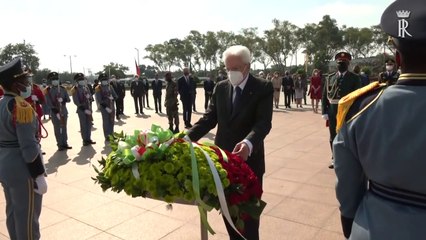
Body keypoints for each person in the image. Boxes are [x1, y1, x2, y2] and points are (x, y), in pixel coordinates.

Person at [334, 1, 426, 239]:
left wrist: (349, 220)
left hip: (374, 228)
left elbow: (348, 180)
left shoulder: (361, 108)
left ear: (397, 57)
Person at [187, 45, 273, 240]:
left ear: (247, 67)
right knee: (228, 214)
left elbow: (263, 124)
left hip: (249, 164)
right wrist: (185, 138)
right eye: (228, 68)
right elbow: (209, 119)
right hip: (224, 163)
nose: (231, 73)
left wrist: (248, 144)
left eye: (235, 68)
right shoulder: (221, 87)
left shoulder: (262, 88)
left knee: (248, 220)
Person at [0, 58, 47, 240]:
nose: (27, 83)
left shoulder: (2, 102)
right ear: (15, 84)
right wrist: (38, 174)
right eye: (24, 80)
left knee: (13, 211)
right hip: (22, 168)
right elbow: (28, 146)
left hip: (5, 165)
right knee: (28, 217)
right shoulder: (21, 106)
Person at [322, 52, 361, 169]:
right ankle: (335, 158)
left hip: (347, 111)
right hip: (333, 110)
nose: (341, 64)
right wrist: (324, 111)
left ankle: (348, 159)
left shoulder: (354, 78)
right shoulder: (330, 77)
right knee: (333, 135)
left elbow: (357, 95)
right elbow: (324, 96)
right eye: (339, 63)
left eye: (343, 63)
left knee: (347, 136)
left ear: (348, 64)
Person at [44, 72, 72, 151]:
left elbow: (68, 99)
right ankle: (60, 144)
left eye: (56, 79)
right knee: (57, 128)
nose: (55, 80)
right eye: (53, 79)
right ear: (50, 81)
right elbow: (48, 103)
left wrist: (63, 100)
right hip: (54, 112)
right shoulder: (48, 90)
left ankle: (65, 143)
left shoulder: (63, 89)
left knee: (64, 127)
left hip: (63, 111)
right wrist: (56, 112)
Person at [72, 73, 96, 146]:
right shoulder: (75, 89)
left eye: (82, 79)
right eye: (80, 80)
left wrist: (89, 97)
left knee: (89, 124)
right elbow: (76, 101)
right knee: (83, 125)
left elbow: (91, 98)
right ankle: (84, 140)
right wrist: (83, 108)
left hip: (88, 108)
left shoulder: (86, 87)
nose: (82, 81)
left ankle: (88, 138)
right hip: (81, 109)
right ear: (77, 81)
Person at [95, 74, 117, 142]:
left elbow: (115, 95)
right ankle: (107, 136)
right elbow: (99, 99)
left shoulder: (110, 86)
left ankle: (112, 134)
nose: (105, 81)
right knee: (106, 122)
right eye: (103, 80)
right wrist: (106, 107)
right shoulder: (98, 88)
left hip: (111, 106)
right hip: (104, 108)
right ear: (100, 81)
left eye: (105, 80)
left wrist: (113, 98)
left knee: (112, 121)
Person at [24, 72, 46, 140]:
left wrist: (37, 100)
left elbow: (43, 101)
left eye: (30, 77)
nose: (29, 79)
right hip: (25, 113)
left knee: (38, 129)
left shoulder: (36, 88)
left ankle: (38, 146)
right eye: (27, 77)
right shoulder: (20, 88)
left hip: (36, 112)